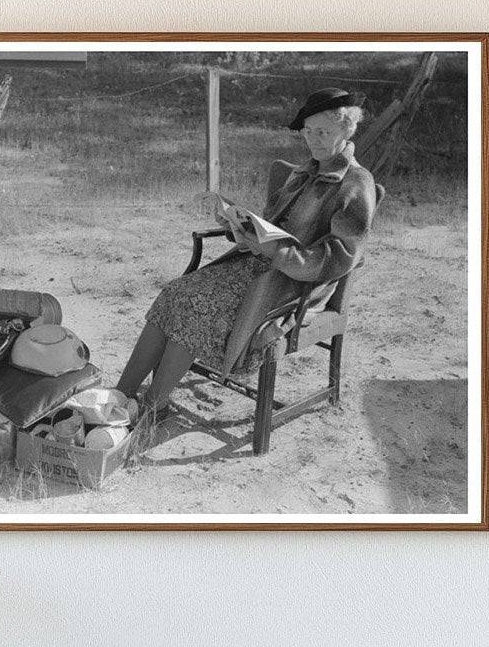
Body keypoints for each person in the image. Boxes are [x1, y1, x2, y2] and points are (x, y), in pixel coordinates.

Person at [117, 87, 379, 420]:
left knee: (198, 305)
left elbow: (339, 257)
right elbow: (270, 225)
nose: (312, 139)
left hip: (293, 285)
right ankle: (119, 395)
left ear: (346, 130)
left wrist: (278, 252)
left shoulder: (356, 182)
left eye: (323, 132)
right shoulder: (302, 173)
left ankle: (153, 406)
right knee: (176, 292)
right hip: (256, 265)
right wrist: (237, 225)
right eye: (308, 132)